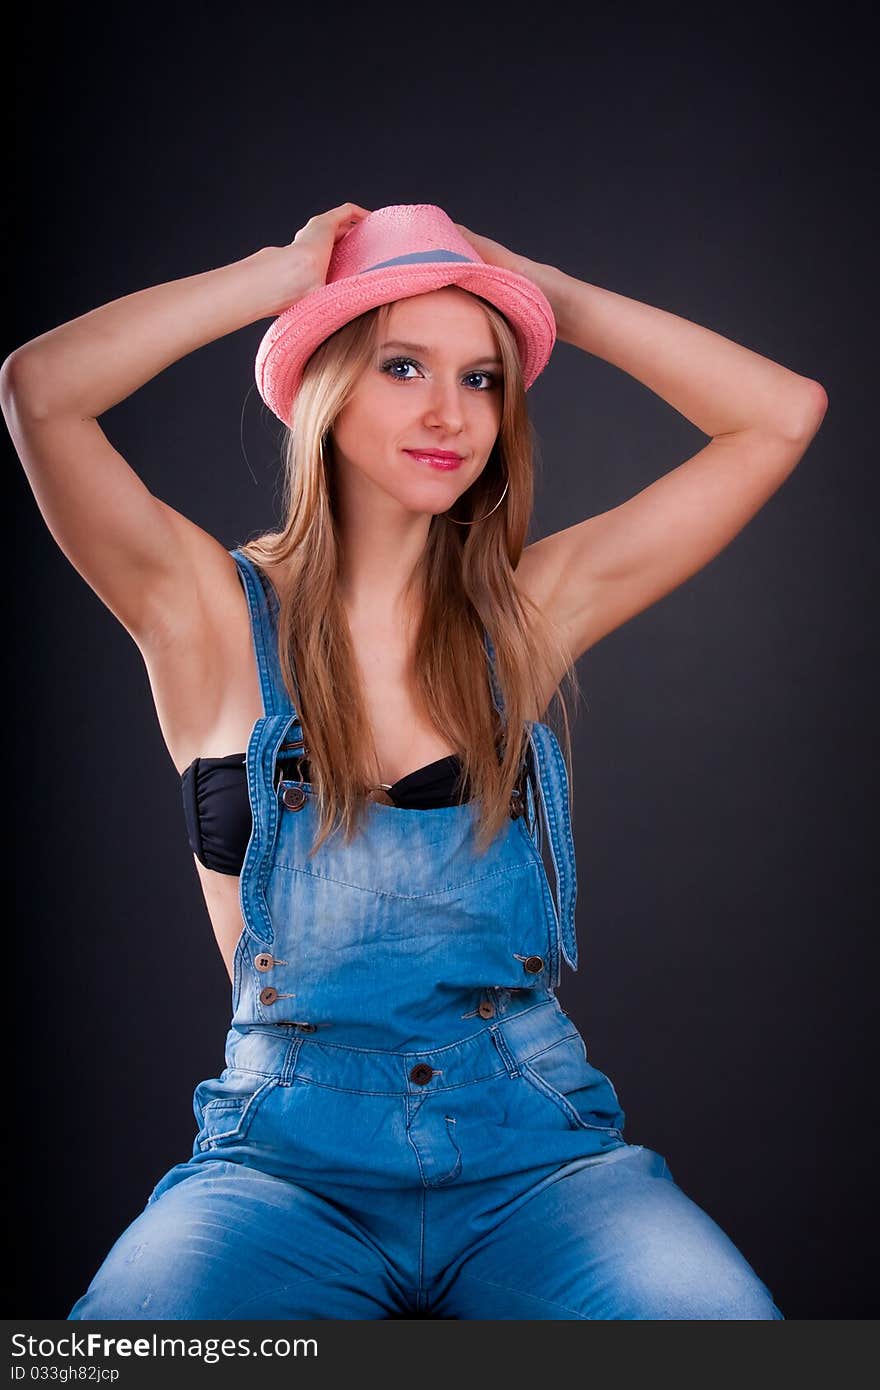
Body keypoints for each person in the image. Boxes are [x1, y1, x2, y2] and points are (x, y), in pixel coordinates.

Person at [1, 201, 827, 1320]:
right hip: (283, 1174)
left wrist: (548, 299)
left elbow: (779, 416)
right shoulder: (200, 609)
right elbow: (40, 391)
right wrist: (276, 282)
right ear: (327, 385)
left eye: (482, 378)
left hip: (534, 1162)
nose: (450, 412)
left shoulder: (525, 613)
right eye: (401, 366)